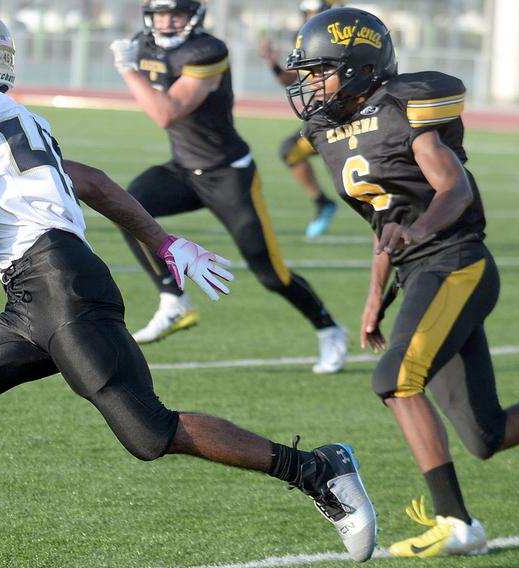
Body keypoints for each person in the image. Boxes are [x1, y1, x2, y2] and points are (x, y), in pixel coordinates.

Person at [0, 6, 378, 567]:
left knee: (150, 432)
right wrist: (164, 243)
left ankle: (315, 469)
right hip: (37, 294)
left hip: (59, 286)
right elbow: (92, 182)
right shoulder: (8, 114)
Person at [284, 7, 519, 558]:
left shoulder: (400, 108)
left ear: (359, 68)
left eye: (320, 70)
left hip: (456, 261)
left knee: (395, 380)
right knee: (486, 435)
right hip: (418, 269)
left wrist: (416, 234)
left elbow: (455, 190)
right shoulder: (329, 132)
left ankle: (457, 522)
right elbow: (384, 217)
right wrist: (375, 293)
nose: (309, 84)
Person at [107, 0, 348, 374]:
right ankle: (174, 300)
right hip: (184, 169)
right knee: (127, 205)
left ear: (194, 16)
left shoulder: (208, 50)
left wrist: (126, 69)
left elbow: (166, 112)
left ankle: (329, 329)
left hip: (228, 173)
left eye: (177, 14)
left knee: (271, 274)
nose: (168, 22)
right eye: (160, 14)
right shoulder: (147, 43)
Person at [257, 0, 342, 239]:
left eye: (317, 12)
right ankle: (323, 202)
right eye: (308, 13)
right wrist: (272, 64)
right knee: (290, 151)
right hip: (328, 117)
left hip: (352, 115)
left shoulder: (344, 39)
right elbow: (292, 80)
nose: (311, 17)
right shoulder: (308, 38)